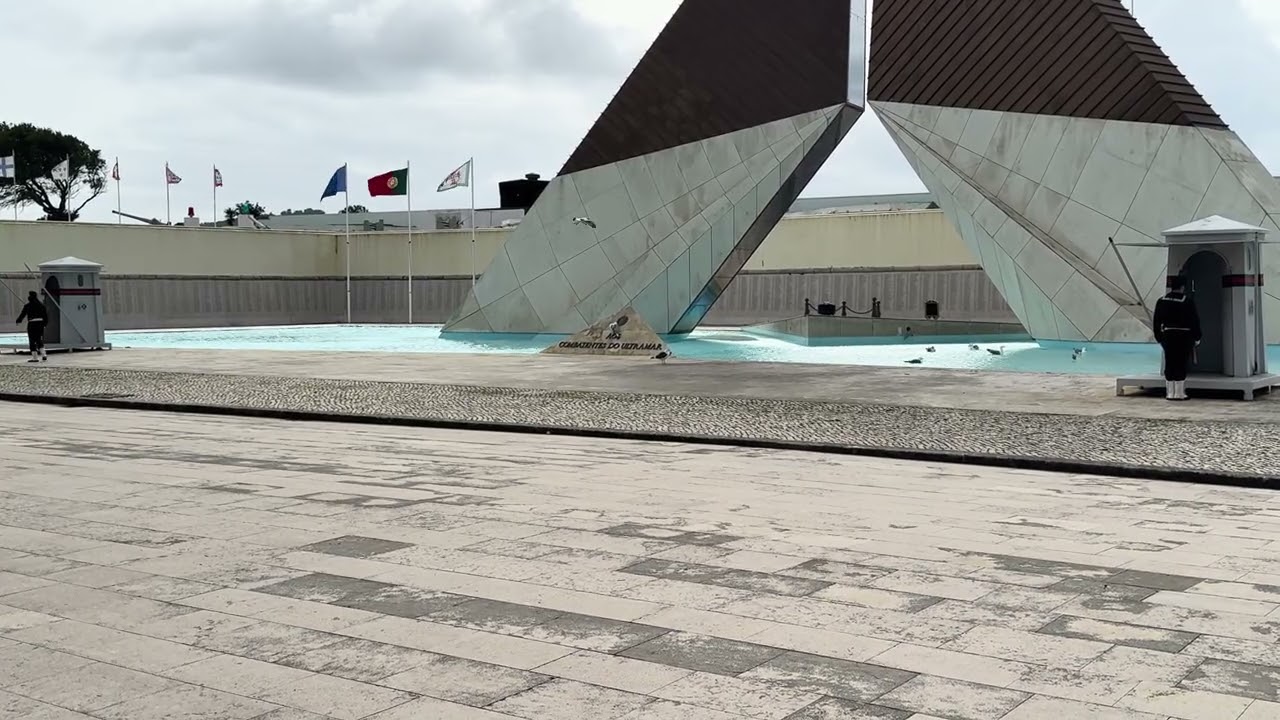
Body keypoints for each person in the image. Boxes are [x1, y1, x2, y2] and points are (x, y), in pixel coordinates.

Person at [1152, 276, 1201, 401]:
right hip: (1184, 336)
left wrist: (1159, 337)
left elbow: (1156, 321)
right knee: (1181, 362)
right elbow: (1194, 321)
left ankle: (1170, 392)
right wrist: (1197, 336)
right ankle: (1179, 393)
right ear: (1182, 287)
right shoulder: (1187, 301)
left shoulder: (1161, 300)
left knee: (1170, 361)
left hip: (1167, 335)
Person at [16, 290, 49, 363]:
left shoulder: (27, 306)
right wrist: (45, 324)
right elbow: (45, 316)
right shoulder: (41, 305)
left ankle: (35, 357)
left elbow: (23, 314)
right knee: (39, 339)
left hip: (32, 323)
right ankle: (44, 354)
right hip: (40, 323)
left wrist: (18, 321)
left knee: (32, 340)